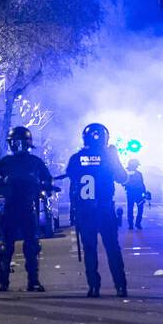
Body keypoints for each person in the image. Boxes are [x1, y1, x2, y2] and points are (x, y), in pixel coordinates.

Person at [0, 125, 52, 293]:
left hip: (28, 207)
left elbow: (48, 181)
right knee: (6, 247)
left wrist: (42, 186)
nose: (19, 145)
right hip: (11, 208)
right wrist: (4, 183)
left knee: (31, 246)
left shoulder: (34, 162)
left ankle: (33, 281)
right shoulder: (6, 162)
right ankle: (4, 282)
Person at [64, 122, 128, 298]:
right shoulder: (109, 158)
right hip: (105, 209)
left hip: (85, 211)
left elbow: (72, 182)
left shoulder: (77, 158)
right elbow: (123, 178)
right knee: (112, 248)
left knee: (90, 250)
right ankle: (120, 286)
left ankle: (93, 287)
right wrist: (114, 158)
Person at [124, 158, 148, 230]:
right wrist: (144, 193)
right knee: (139, 209)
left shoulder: (127, 173)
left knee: (131, 208)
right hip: (137, 194)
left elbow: (141, 184)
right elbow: (142, 184)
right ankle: (137, 224)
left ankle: (132, 224)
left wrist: (144, 193)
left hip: (132, 193)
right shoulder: (136, 174)